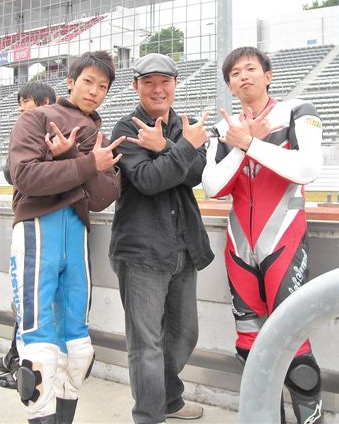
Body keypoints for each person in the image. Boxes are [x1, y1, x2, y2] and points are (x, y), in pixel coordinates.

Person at [201, 46, 324, 424]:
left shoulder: (298, 111)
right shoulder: (222, 129)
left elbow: (307, 168)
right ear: (229, 85)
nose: (244, 76)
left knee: (294, 347)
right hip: (239, 249)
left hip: (284, 243)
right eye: (235, 73)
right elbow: (213, 187)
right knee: (248, 347)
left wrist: (252, 143)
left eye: (250, 69)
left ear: (268, 76)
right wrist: (241, 145)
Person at [9, 51, 124, 424]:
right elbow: (25, 176)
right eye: (87, 81)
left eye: (102, 86)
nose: (94, 91)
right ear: (70, 81)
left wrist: (72, 156)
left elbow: (103, 197)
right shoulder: (36, 118)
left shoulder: (100, 137)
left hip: (76, 235)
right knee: (38, 346)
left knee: (77, 347)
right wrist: (86, 165)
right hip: (36, 229)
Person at [109, 53, 214, 424]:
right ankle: (149, 415)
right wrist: (180, 149)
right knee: (147, 343)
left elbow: (197, 173)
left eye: (165, 81)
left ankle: (169, 399)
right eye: (149, 82)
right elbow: (149, 180)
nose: (158, 89)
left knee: (184, 334)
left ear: (175, 84)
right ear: (135, 86)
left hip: (183, 246)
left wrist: (167, 147)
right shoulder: (127, 127)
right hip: (142, 251)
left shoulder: (183, 125)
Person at [0, 81, 57, 390]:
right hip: (29, 221)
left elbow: (17, 173)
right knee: (23, 298)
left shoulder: (54, 132)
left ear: (44, 103)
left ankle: (24, 365)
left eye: (26, 104)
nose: (21, 110)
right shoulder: (27, 130)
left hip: (43, 226)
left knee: (33, 301)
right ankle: (14, 355)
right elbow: (12, 172)